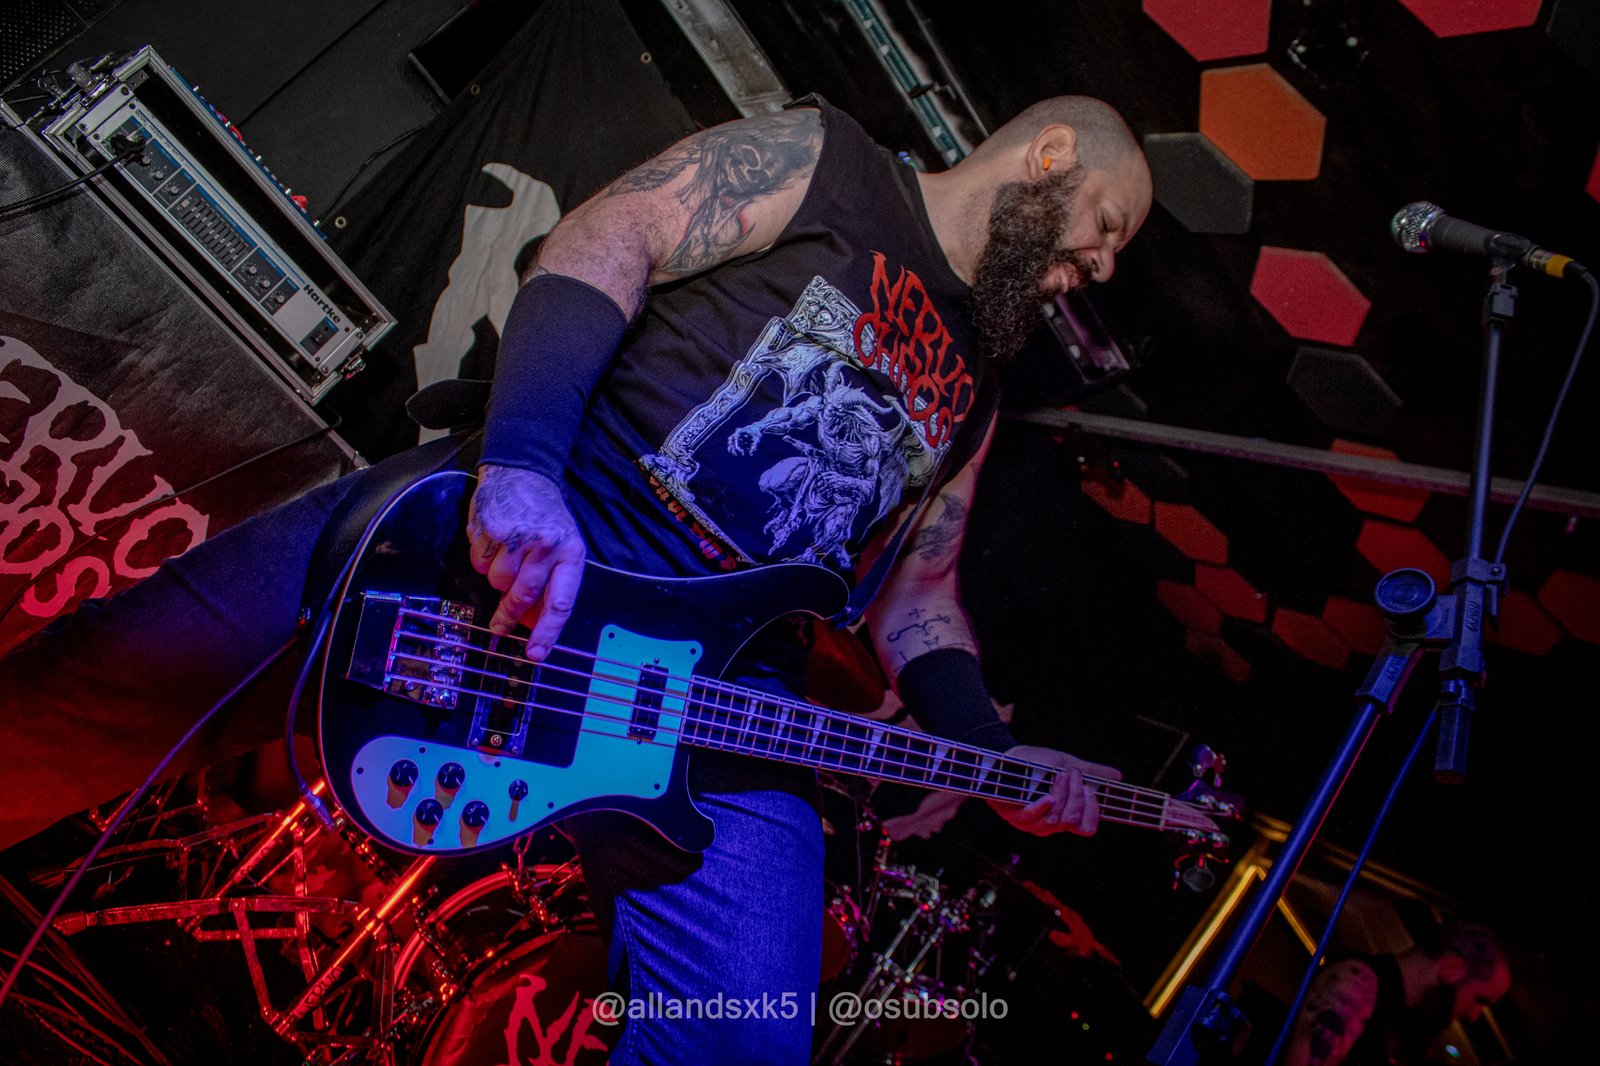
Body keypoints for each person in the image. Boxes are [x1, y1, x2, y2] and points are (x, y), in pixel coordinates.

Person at [0, 92, 1153, 1063]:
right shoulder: (830, 161)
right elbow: (611, 235)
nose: (1100, 266)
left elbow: (920, 596)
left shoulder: (976, 393)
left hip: (716, 694)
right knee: (77, 710)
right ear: (1049, 154)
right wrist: (520, 469)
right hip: (515, 552)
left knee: (746, 1038)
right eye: (1104, 227)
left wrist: (993, 754)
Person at [1282, 921, 1512, 1066]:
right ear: (1452, 969)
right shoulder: (1357, 982)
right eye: (1479, 1000)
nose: (1474, 1015)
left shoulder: (1409, 1029)